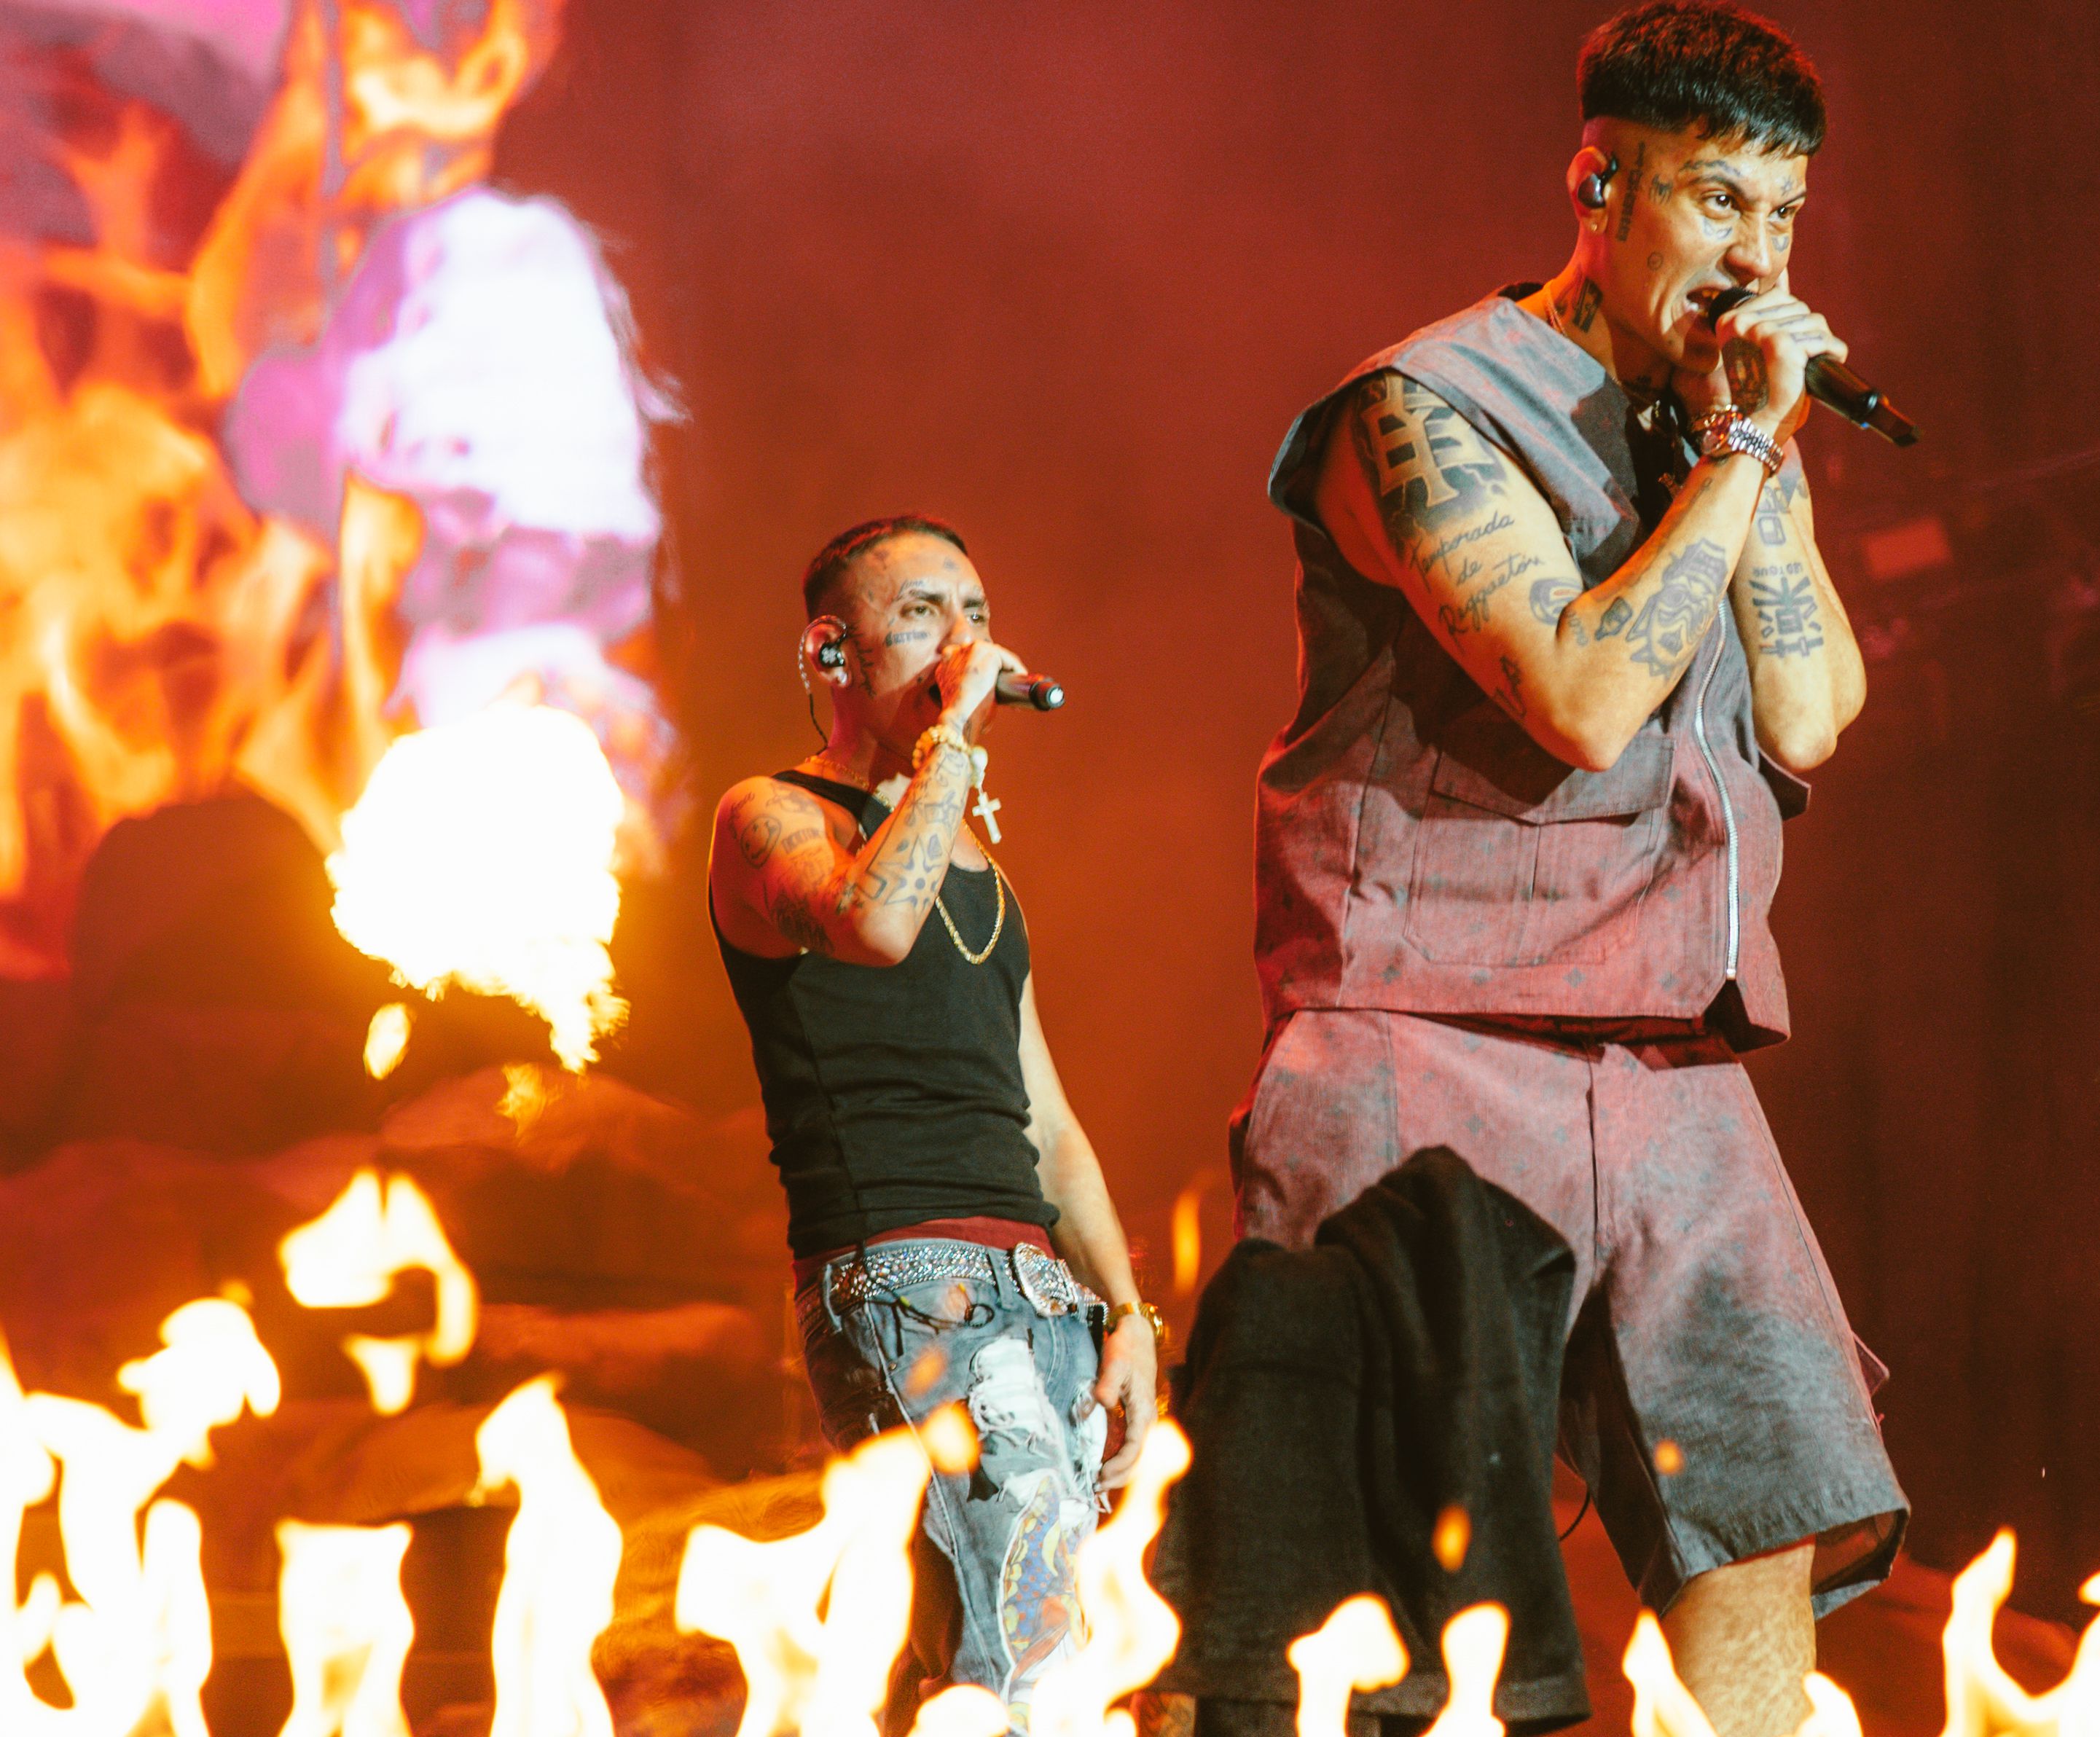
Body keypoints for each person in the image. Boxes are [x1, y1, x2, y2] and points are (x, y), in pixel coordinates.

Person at [1229, 4, 1902, 1733]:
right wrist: (1739, 456)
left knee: (1756, 1515)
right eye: (1713, 202)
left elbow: (1814, 712)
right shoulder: (1425, 409)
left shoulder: (1718, 429)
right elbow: (1586, 695)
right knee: (1414, 1576)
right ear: (1598, 180)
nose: (1752, 255)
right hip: (1426, 1052)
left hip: (1668, 1062)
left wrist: (1759, 461)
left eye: (1782, 218)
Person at [708, 515, 1161, 1733]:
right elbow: (871, 925)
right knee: (1026, 1658)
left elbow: (1050, 1121)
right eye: (922, 614)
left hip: (1037, 1289)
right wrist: (952, 737)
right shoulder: (768, 815)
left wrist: (1128, 1311)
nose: (965, 636)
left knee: (994, 1642)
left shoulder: (977, 867)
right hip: (907, 1278)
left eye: (976, 609)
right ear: (832, 653)